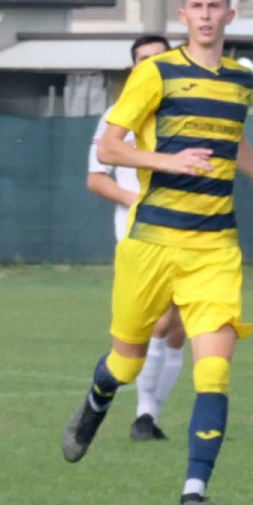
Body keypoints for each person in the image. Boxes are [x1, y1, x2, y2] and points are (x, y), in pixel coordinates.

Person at [61, 0, 253, 505]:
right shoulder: (154, 73)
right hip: (151, 242)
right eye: (197, 5)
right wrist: (169, 162)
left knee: (213, 370)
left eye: (217, 5)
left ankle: (193, 495)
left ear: (230, 16)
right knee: (127, 360)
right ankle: (96, 400)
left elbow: (233, 138)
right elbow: (112, 147)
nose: (208, 13)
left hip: (215, 246)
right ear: (183, 16)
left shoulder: (242, 79)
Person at [86, 34, 184, 442]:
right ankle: (142, 415)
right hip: (140, 231)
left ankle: (150, 416)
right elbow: (95, 178)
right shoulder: (118, 116)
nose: (151, 64)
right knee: (157, 321)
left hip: (187, 228)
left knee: (179, 326)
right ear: (133, 68)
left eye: (159, 58)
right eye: (143, 59)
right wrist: (138, 199)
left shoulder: (187, 113)